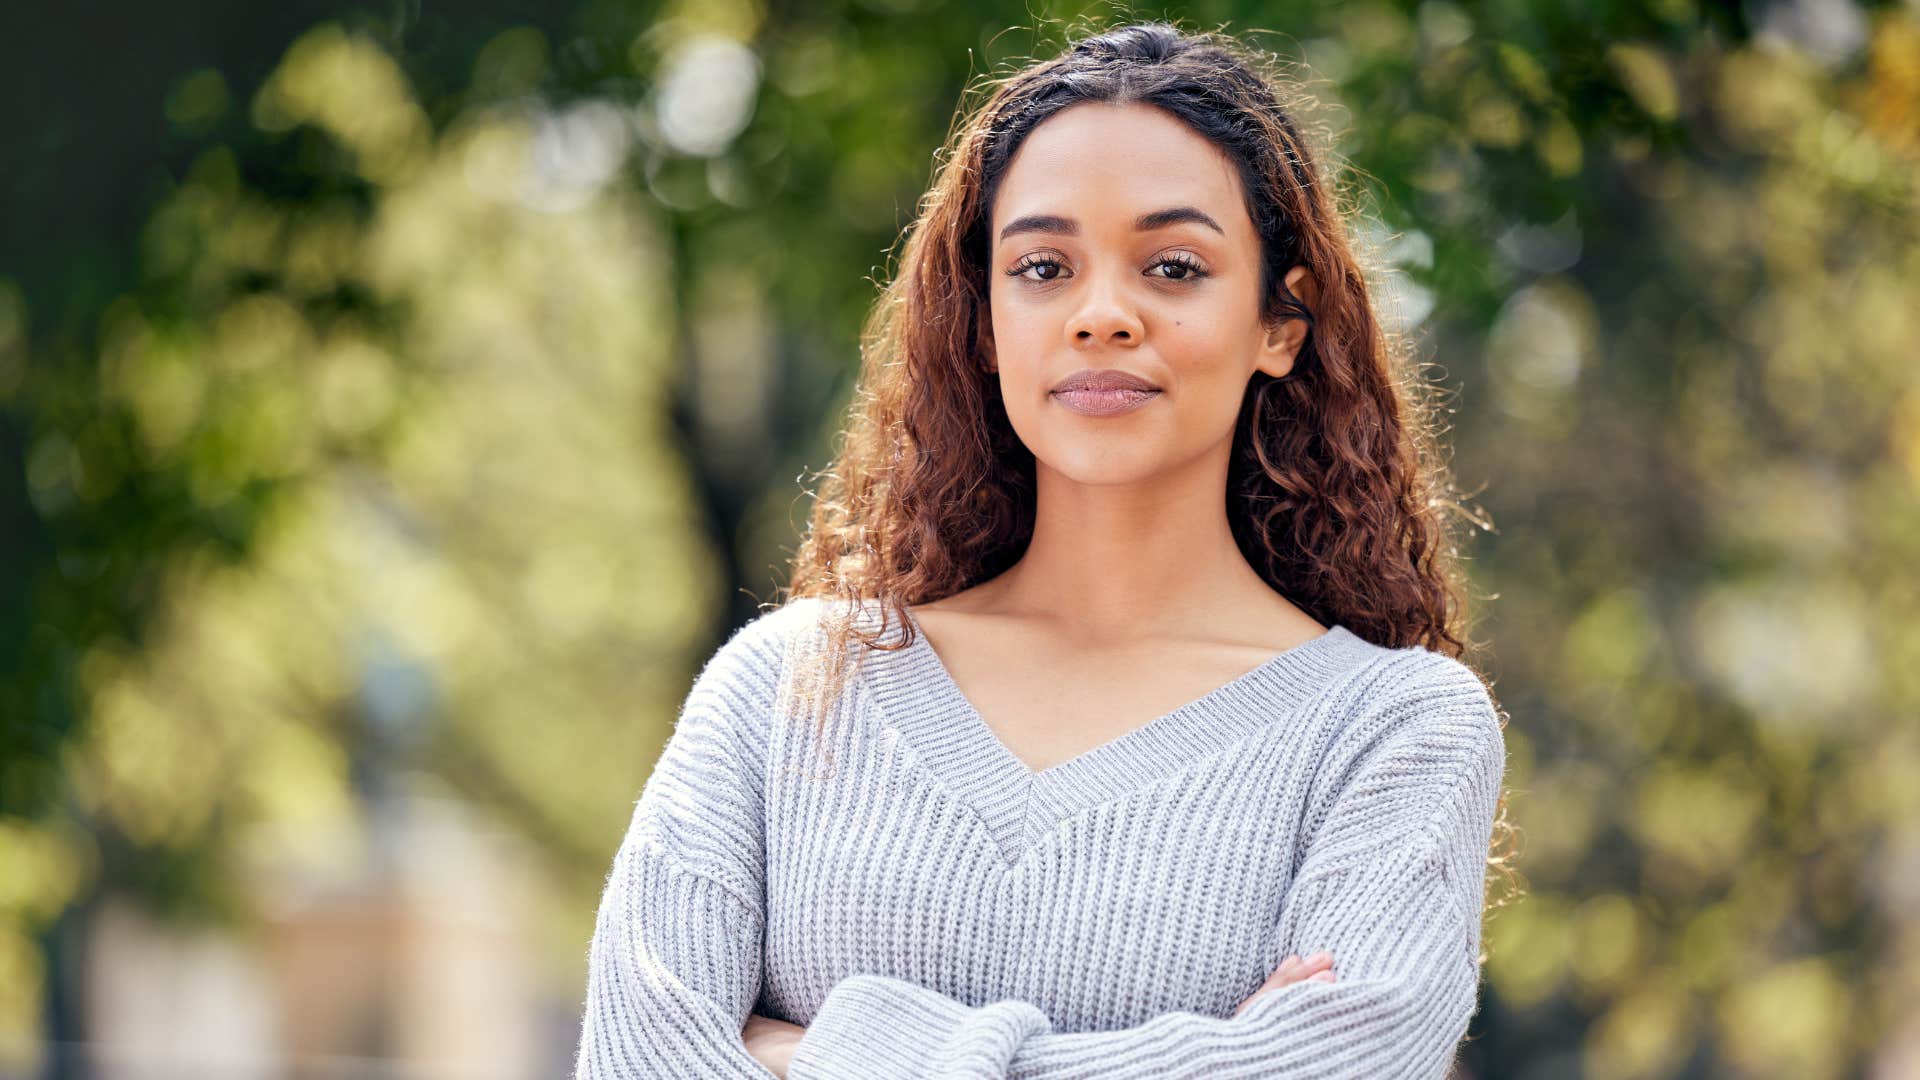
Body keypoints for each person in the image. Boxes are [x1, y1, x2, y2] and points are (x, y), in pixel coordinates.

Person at [575, 19, 1517, 1079]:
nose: (1102, 315)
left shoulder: (1391, 732)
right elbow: (635, 1060)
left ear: (1280, 327)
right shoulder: (786, 691)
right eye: (1041, 266)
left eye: (1172, 265)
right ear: (983, 320)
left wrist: (819, 1055)